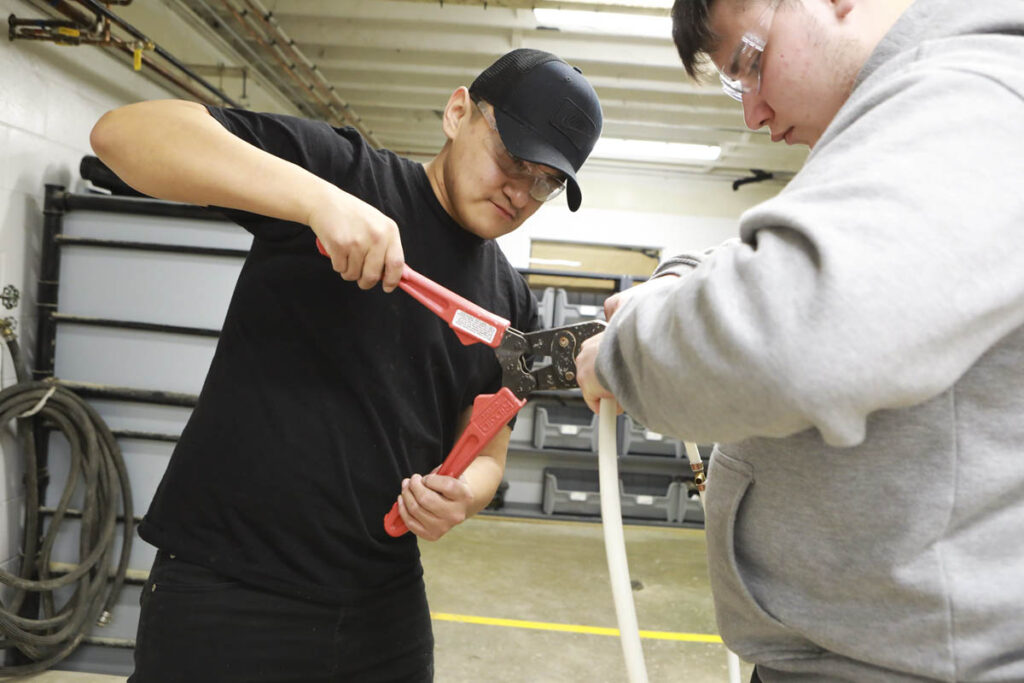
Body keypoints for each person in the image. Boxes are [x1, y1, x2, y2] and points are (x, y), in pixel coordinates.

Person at [90, 48, 601, 682]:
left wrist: (461, 498)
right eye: (512, 158)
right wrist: (316, 201)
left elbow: (488, 452)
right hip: (229, 587)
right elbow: (122, 135)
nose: (520, 193)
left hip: (382, 607)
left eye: (546, 182)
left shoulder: (510, 304)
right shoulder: (346, 175)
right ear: (458, 113)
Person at [575, 0, 1024, 680]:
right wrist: (686, 275)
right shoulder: (916, 112)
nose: (753, 113)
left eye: (750, 64)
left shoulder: (968, 94)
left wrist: (622, 354)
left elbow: (789, 337)